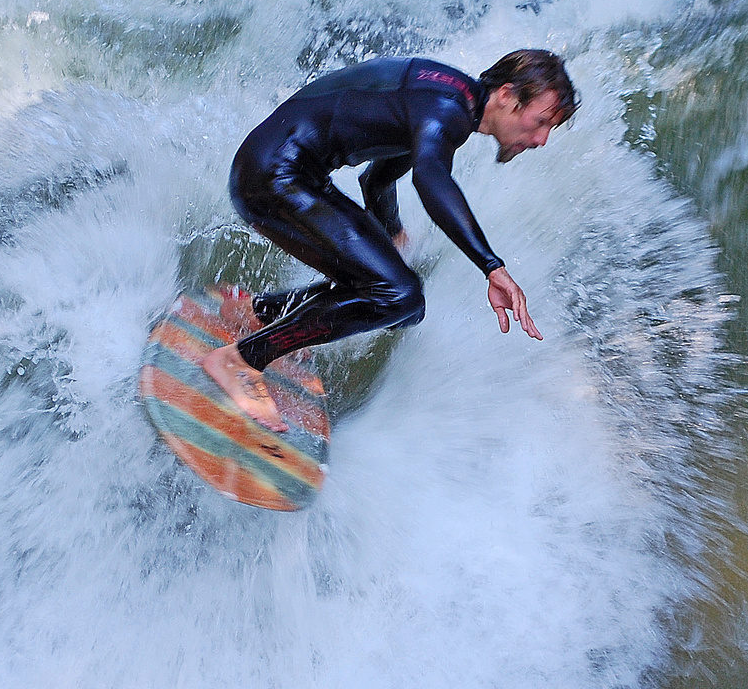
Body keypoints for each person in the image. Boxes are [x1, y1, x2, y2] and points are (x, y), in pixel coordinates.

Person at [200, 49, 578, 429]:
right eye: (541, 121)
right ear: (507, 95)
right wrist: (492, 267)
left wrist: (391, 232)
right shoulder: (448, 113)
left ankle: (258, 313)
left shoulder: (445, 98)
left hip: (283, 171)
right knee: (398, 294)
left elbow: (377, 178)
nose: (542, 139)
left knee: (405, 304)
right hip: (272, 177)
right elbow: (431, 178)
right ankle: (241, 360)